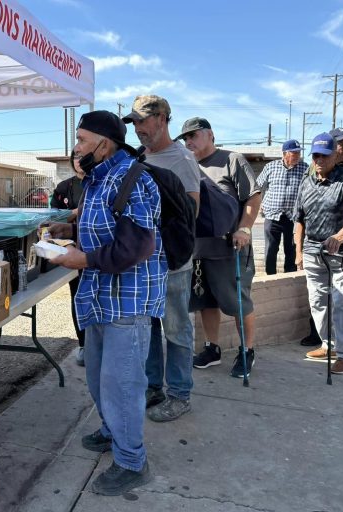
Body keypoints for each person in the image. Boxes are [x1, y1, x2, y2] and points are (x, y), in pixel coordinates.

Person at [49, 110, 166, 496]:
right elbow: (101, 226)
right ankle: (110, 428)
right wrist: (68, 230)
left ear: (104, 142)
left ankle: (132, 461)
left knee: (123, 383)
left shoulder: (135, 178)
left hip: (128, 302)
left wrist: (81, 259)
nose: (76, 147)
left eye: (82, 140)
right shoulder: (100, 177)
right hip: (101, 296)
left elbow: (136, 246)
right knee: (99, 375)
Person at [123, 95, 201, 422]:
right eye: (134, 122)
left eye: (143, 121)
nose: (138, 128)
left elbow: (191, 210)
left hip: (171, 261)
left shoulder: (181, 159)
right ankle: (153, 386)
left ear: (162, 119)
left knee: (177, 328)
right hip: (145, 261)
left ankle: (180, 394)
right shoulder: (141, 156)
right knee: (150, 327)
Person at [178, 117, 261, 378]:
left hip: (230, 247)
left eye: (194, 135)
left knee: (238, 302)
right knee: (205, 301)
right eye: (185, 138)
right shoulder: (185, 165)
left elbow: (253, 196)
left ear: (210, 135)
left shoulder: (232, 160)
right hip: (198, 249)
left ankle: (247, 350)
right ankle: (212, 348)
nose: (189, 141)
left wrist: (245, 228)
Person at [294, 133, 343, 374]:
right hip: (313, 251)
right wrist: (298, 251)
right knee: (318, 301)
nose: (319, 159)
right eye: (315, 155)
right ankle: (329, 345)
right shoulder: (307, 180)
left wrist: (340, 236)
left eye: (324, 155)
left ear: (334, 154)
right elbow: (299, 218)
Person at [48, 150, 86, 365]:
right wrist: (74, 212)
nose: (79, 161)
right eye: (76, 157)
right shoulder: (65, 187)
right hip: (72, 250)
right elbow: (54, 216)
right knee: (77, 297)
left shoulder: (101, 183)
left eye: (83, 156)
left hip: (97, 251)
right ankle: (83, 344)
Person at [256, 139, 307, 275]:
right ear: (284, 154)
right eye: (293, 153)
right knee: (271, 250)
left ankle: (289, 277)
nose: (297, 156)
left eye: (298, 153)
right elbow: (257, 186)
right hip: (272, 215)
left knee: (291, 249)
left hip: (293, 217)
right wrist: (259, 203)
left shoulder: (305, 168)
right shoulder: (270, 167)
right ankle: (270, 277)